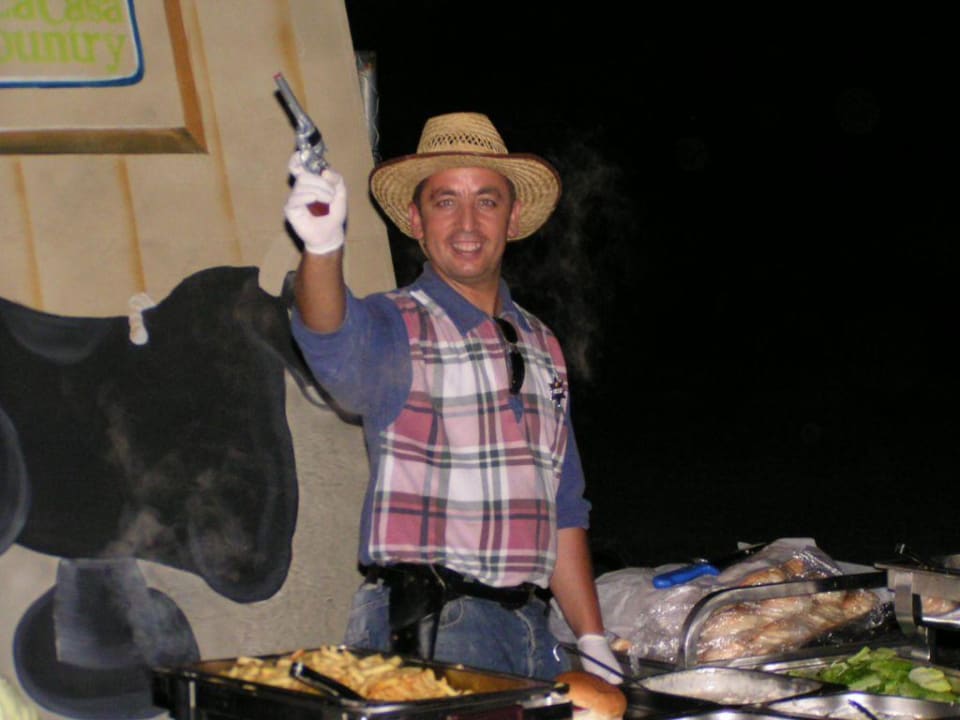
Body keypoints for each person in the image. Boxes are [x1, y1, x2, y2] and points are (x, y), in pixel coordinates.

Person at [285, 111, 622, 683]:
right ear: (417, 220)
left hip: (530, 629)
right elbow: (331, 338)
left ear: (513, 216)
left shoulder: (541, 342)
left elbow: (562, 507)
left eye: (487, 201)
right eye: (445, 202)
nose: (467, 222)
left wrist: (591, 638)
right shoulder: (397, 324)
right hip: (433, 623)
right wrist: (323, 246)